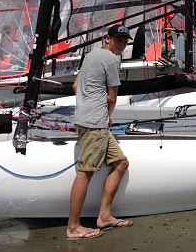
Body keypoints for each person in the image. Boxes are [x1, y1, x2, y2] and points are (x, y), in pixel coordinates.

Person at [66, 24, 133, 241]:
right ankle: (73, 227)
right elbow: (112, 97)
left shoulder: (91, 54)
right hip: (96, 122)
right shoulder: (113, 59)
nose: (122, 45)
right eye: (118, 40)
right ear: (108, 39)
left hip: (86, 119)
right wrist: (107, 115)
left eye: (125, 41)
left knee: (120, 162)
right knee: (85, 172)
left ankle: (104, 215)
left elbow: (76, 85)